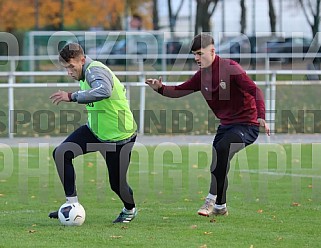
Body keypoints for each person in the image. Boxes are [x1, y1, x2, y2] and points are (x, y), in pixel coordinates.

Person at [145, 33, 270, 217]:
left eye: (199, 54)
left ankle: (211, 199)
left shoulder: (230, 68)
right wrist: (160, 89)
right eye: (194, 54)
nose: (196, 58)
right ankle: (221, 206)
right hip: (226, 125)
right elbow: (179, 90)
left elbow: (255, 90)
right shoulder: (201, 76)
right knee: (218, 164)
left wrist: (262, 117)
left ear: (212, 51)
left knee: (222, 148)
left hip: (247, 125)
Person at [49, 42, 138, 223]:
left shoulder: (94, 70)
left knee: (117, 185)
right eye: (66, 68)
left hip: (119, 137)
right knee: (61, 153)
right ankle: (71, 205)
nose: (69, 72)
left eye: (71, 67)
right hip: (95, 132)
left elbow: (104, 90)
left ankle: (130, 209)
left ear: (82, 60)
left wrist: (72, 96)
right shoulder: (85, 72)